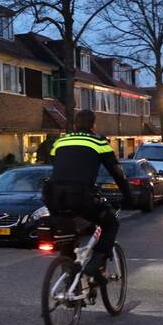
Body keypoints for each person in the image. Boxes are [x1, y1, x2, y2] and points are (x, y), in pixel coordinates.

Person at [45, 109, 133, 278]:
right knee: (110, 223)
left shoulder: (60, 142)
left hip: (54, 196)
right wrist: (128, 196)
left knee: (67, 234)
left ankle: (70, 283)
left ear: (75, 125)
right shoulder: (99, 142)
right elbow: (117, 173)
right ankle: (96, 263)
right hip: (79, 195)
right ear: (93, 125)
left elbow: (56, 165)